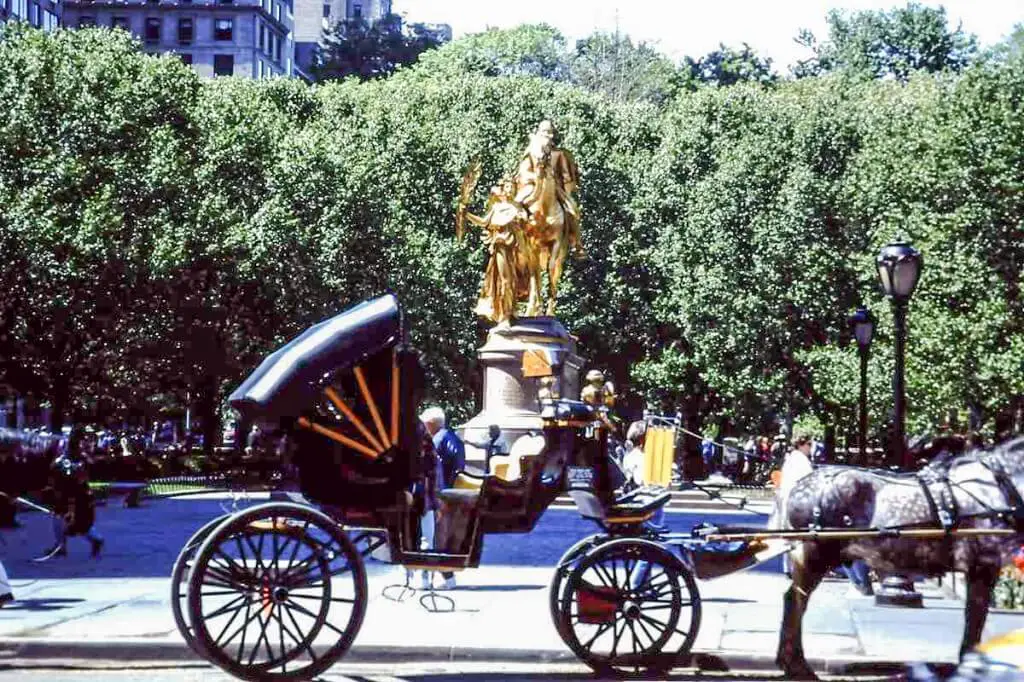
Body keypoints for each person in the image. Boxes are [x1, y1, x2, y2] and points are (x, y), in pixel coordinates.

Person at [420, 407, 466, 590]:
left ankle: (433, 578)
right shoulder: (451, 438)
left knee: (433, 541)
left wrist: (441, 497)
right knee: (438, 540)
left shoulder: (436, 441)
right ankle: (446, 578)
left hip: (439, 495)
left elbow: (436, 472)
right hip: (445, 494)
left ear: (431, 424)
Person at [778, 433, 814, 575]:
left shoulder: (791, 458)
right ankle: (797, 567)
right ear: (801, 444)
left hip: (788, 500)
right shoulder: (801, 460)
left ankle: (789, 567)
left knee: (789, 535)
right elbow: (809, 480)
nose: (810, 448)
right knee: (798, 536)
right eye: (809, 445)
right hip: (797, 502)